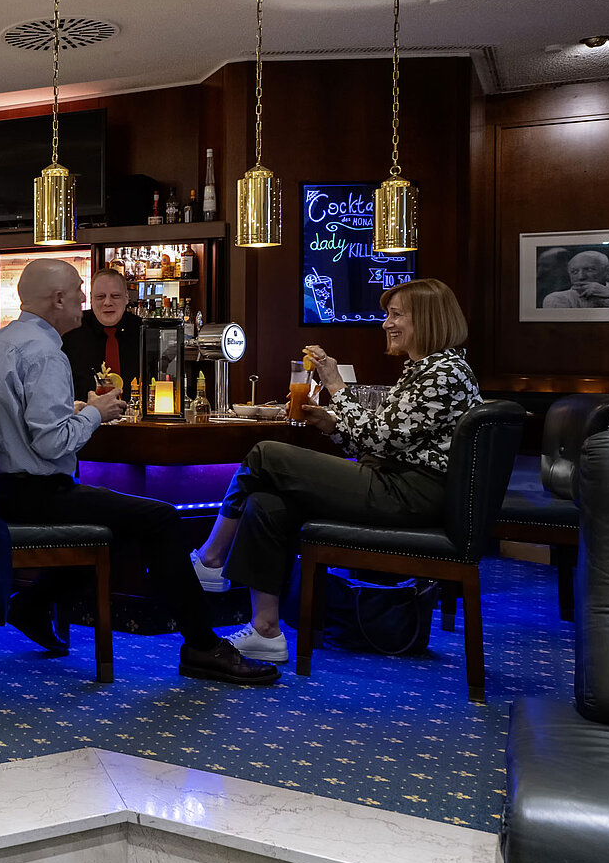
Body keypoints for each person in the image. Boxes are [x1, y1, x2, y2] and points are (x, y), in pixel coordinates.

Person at [0, 259, 278, 686]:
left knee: (124, 526)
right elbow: (52, 444)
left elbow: (20, 423)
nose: (84, 299)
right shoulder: (45, 353)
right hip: (37, 493)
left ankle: (33, 603)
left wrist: (76, 411)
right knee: (162, 518)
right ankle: (203, 647)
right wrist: (95, 413)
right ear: (58, 299)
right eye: (79, 291)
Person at [191, 278, 483, 662]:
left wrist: (334, 384)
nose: (386, 323)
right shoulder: (429, 369)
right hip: (397, 485)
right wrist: (331, 424)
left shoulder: (442, 373)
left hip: (408, 493)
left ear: (427, 319)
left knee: (265, 455)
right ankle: (266, 631)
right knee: (265, 502)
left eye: (396, 315)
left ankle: (212, 558)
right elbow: (379, 441)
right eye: (387, 315)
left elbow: (379, 439)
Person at [62, 266, 142, 401]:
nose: (107, 302)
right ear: (91, 299)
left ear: (126, 297)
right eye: (100, 297)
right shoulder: (70, 330)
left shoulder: (143, 330)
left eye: (115, 296)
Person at [541, 250, 609, 309]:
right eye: (574, 272)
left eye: (589, 269)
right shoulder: (558, 298)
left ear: (608, 272)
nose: (581, 277)